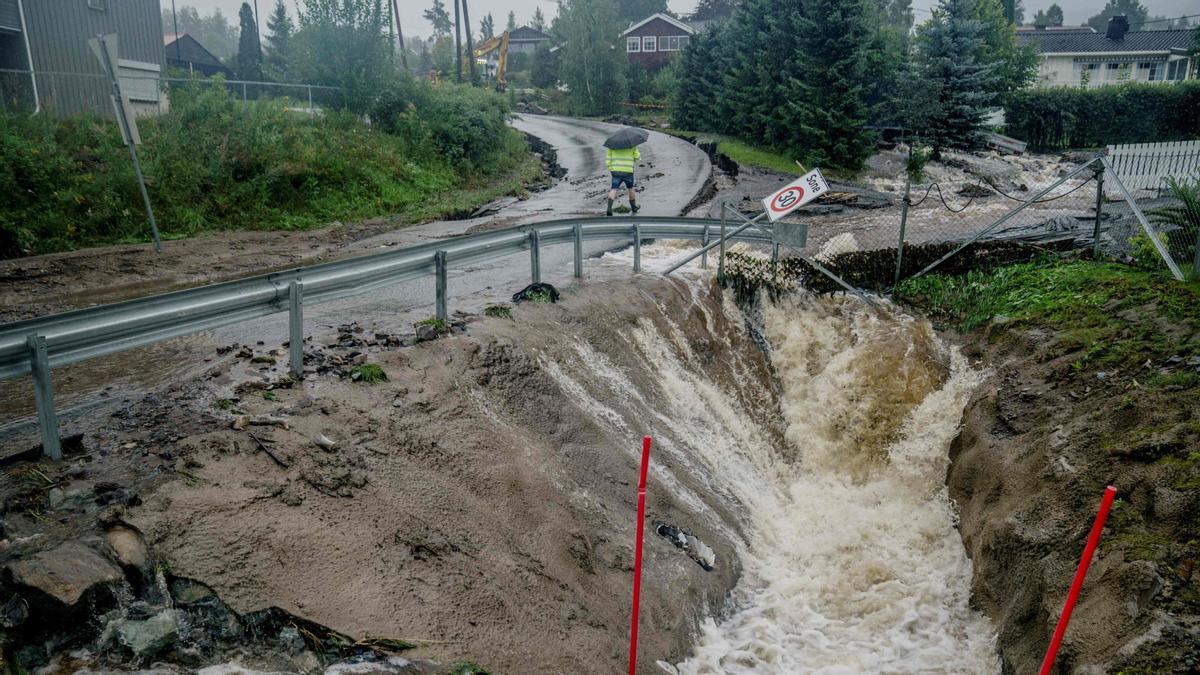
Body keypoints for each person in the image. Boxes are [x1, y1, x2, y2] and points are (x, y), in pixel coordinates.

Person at [606, 145, 641, 216]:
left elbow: (608, 159)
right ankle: (634, 207)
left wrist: (610, 168)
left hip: (615, 170)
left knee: (613, 189)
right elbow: (637, 158)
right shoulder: (632, 145)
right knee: (630, 188)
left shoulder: (612, 145)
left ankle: (609, 208)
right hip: (627, 170)